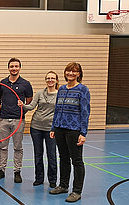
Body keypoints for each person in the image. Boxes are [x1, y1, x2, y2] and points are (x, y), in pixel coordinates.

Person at [49, 63, 90, 203]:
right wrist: (54, 127)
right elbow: (57, 109)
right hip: (60, 128)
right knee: (64, 158)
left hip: (74, 130)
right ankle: (63, 185)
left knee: (77, 160)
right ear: (65, 73)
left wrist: (83, 133)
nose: (71, 73)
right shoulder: (61, 89)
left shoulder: (83, 90)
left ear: (79, 74)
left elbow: (85, 112)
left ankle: (77, 191)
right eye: (69, 70)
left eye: (74, 71)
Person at [0, 58, 33, 183]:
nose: (14, 68)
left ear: (20, 68)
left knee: (18, 147)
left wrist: (22, 110)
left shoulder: (25, 84)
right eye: (11, 66)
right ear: (8, 68)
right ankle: (1, 170)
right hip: (3, 119)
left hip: (18, 120)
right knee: (3, 146)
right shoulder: (3, 83)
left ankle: (17, 171)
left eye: (16, 66)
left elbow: (29, 100)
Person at [18, 71, 59, 188]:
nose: (50, 80)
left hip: (51, 129)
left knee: (51, 155)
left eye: (52, 78)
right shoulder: (40, 93)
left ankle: (52, 180)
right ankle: (39, 178)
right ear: (45, 80)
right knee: (38, 154)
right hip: (36, 127)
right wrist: (23, 105)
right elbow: (31, 106)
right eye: (48, 78)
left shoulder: (60, 94)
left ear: (56, 80)